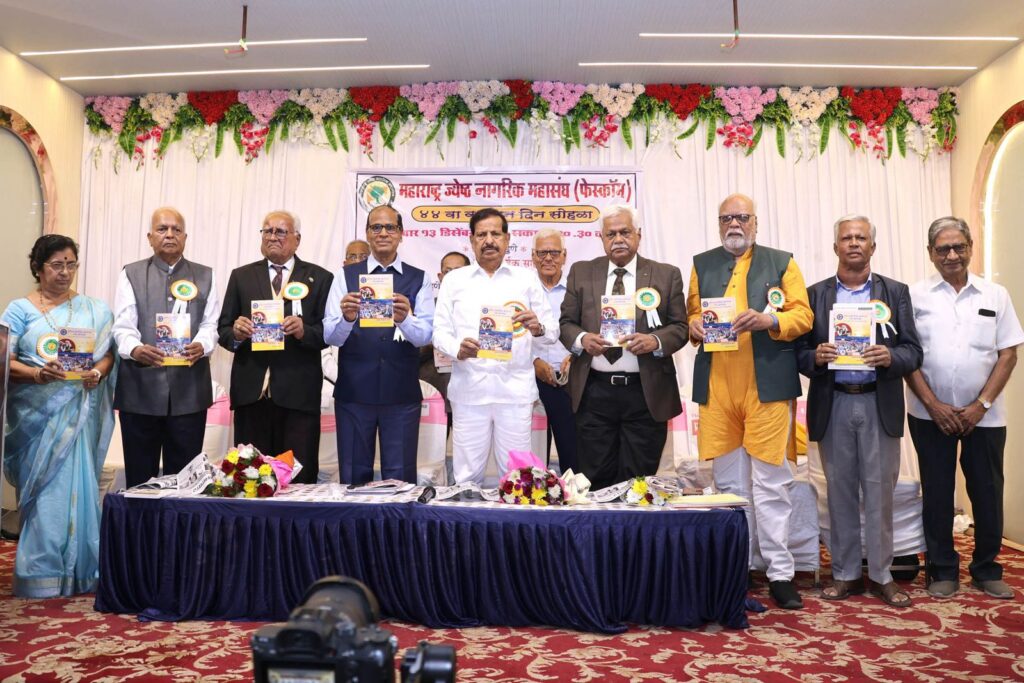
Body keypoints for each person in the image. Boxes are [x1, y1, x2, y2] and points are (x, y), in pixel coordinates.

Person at [686, 193, 813, 610]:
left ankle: (780, 573)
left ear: (755, 222)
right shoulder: (702, 264)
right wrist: (694, 326)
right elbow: (691, 314)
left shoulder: (781, 263)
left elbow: (803, 316)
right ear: (718, 224)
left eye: (741, 217)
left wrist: (768, 319)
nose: (734, 224)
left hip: (767, 388)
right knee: (730, 486)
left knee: (772, 485)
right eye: (726, 218)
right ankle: (737, 566)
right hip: (719, 389)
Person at [796, 215, 922, 608]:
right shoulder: (815, 294)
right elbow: (798, 353)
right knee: (839, 493)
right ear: (835, 247)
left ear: (873, 246)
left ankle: (883, 575)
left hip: (877, 402)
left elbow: (914, 351)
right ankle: (846, 573)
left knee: (880, 492)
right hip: (833, 402)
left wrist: (891, 356)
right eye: (847, 238)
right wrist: (815, 357)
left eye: (861, 237)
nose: (854, 243)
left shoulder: (895, 292)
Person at [906, 217, 1024, 600]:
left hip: (985, 416)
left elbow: (1008, 354)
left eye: (959, 246)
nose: (952, 255)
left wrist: (980, 405)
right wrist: (933, 404)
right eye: (943, 248)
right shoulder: (915, 296)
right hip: (928, 414)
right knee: (937, 493)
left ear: (971, 247)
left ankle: (987, 569)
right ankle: (942, 570)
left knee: (987, 492)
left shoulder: (995, 295)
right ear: (931, 253)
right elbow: (908, 357)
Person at [1, 235, 116, 597]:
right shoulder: (18, 310)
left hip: (77, 413)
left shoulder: (93, 309)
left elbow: (107, 354)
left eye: (71, 264)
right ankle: (41, 573)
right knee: (45, 494)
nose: (65, 272)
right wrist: (37, 374)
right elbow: (4, 361)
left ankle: (83, 571)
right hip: (35, 418)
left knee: (79, 489)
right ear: (38, 268)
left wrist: (96, 373)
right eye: (56, 265)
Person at [560, 206, 686, 488]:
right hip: (594, 392)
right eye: (611, 234)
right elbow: (566, 323)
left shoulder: (666, 274)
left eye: (625, 232)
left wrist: (655, 341)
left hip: (645, 393)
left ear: (638, 235)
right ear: (601, 238)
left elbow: (680, 327)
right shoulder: (581, 272)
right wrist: (582, 339)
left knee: (638, 483)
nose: (618, 239)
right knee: (594, 480)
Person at [433, 207, 558, 485]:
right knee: (466, 478)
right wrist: (457, 348)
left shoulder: (527, 279)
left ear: (507, 239)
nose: (489, 240)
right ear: (471, 240)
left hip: (514, 393)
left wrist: (537, 327)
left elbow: (552, 331)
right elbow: (439, 332)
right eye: (481, 235)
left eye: (495, 234)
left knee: (518, 477)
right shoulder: (454, 281)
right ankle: (466, 513)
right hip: (469, 392)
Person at [218, 210, 333, 483]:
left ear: (297, 239)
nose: (272, 237)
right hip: (252, 395)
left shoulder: (319, 277)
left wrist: (304, 331)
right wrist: (236, 332)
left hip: (298, 396)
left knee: (298, 480)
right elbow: (223, 330)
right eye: (267, 231)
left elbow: (329, 333)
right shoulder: (241, 276)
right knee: (250, 481)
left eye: (280, 231)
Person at [324, 205, 434, 485]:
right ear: (367, 233)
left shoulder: (420, 278)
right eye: (376, 227)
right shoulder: (345, 276)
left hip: (401, 394)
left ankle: (397, 518)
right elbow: (330, 336)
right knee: (353, 477)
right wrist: (347, 318)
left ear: (401, 233)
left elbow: (425, 336)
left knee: (400, 478)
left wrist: (405, 319)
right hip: (354, 393)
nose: (383, 233)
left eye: (390, 227)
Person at [112, 207, 221, 487]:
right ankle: (141, 519)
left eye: (176, 229)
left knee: (185, 481)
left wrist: (202, 344)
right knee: (140, 480)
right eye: (162, 229)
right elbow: (123, 326)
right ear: (150, 237)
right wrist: (136, 349)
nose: (169, 235)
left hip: (189, 392)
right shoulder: (131, 273)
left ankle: (179, 520)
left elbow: (211, 324)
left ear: (185, 237)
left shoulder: (206, 275)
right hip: (140, 390)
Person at [531, 229, 578, 473]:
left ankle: (574, 494)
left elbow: (589, 327)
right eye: (542, 253)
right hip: (529, 379)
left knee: (573, 455)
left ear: (564, 255)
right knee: (533, 461)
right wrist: (533, 362)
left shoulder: (577, 288)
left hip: (570, 380)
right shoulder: (522, 289)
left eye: (554, 252)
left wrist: (577, 355)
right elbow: (510, 334)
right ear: (533, 256)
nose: (548, 258)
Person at [419, 251, 471, 420]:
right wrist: (434, 342)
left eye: (458, 271)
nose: (452, 276)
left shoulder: (481, 308)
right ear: (440, 277)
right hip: (433, 391)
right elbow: (412, 350)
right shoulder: (426, 308)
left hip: (471, 389)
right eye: (448, 272)